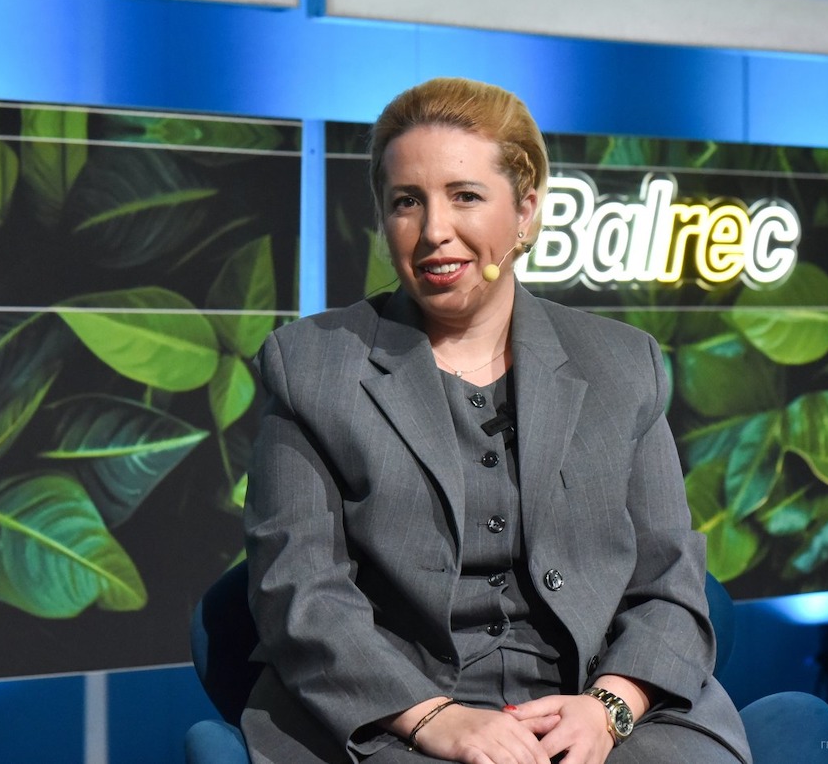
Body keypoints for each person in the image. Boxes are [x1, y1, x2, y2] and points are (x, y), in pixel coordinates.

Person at [239, 76, 751, 764]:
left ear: (525, 212)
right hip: (396, 720)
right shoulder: (310, 366)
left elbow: (670, 585)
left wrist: (606, 709)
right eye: (406, 202)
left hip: (596, 709)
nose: (434, 231)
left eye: (466, 196)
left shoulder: (623, 365)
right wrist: (438, 720)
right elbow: (299, 593)